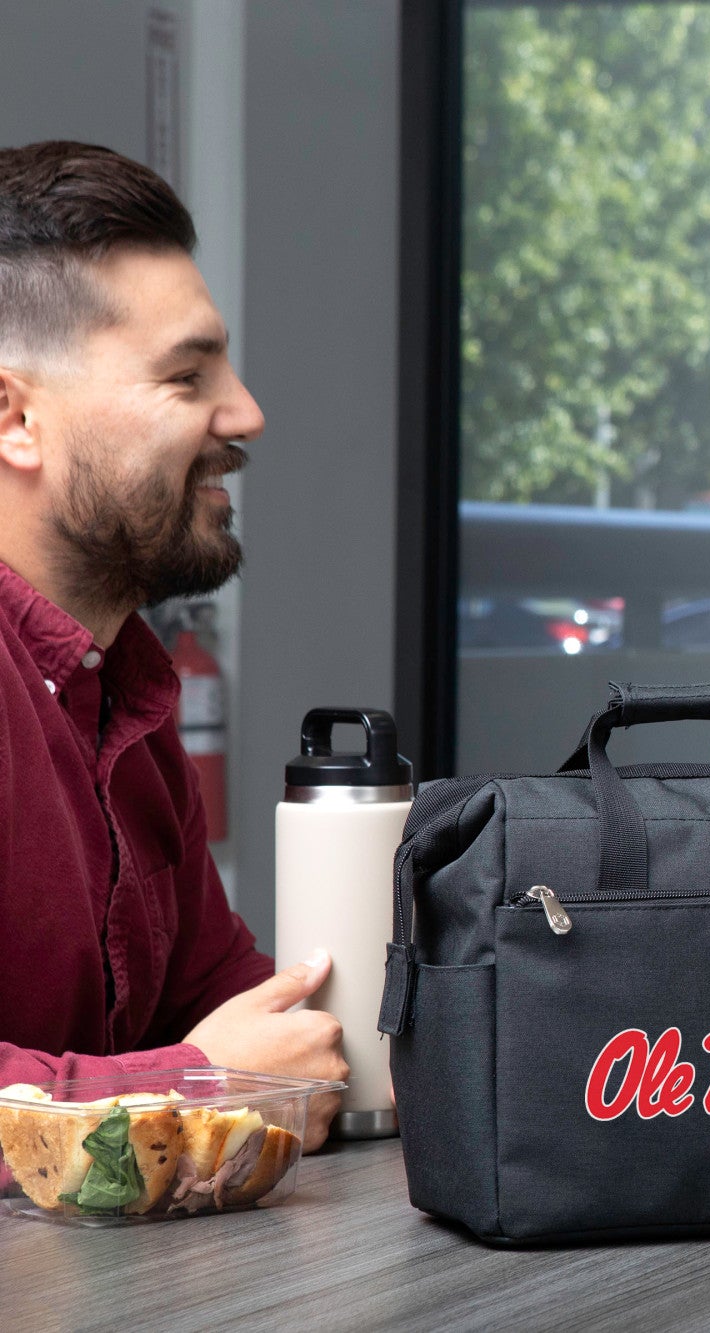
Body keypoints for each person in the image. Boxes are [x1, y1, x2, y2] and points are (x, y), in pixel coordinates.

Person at [0, 142, 345, 1147]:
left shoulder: (125, 692)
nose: (244, 413)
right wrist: (202, 1083)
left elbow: (242, 1013)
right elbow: (226, 1061)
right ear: (15, 416)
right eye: (188, 375)